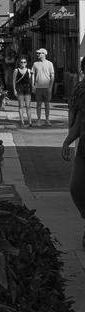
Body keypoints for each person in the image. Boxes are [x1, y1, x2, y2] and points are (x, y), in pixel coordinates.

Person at [61, 56, 85, 248]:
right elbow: (78, 120)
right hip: (84, 150)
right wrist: (67, 142)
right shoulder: (81, 91)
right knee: (76, 189)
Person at [31, 48, 55, 126]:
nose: (37, 54)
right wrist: (33, 85)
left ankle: (47, 120)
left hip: (46, 86)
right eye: (37, 53)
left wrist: (51, 87)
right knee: (38, 103)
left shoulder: (49, 64)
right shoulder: (35, 64)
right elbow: (33, 75)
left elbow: (52, 75)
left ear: (44, 54)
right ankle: (38, 120)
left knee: (47, 103)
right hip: (38, 87)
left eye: (39, 53)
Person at [12, 56, 33, 127]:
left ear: (26, 63)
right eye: (22, 62)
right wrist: (14, 90)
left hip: (27, 87)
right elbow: (14, 81)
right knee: (21, 105)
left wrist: (33, 86)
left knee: (28, 106)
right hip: (19, 88)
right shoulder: (16, 70)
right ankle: (22, 121)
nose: (23, 63)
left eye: (24, 62)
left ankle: (30, 121)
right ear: (19, 63)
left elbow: (30, 80)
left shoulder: (29, 70)